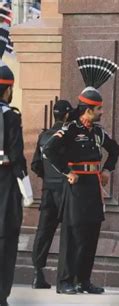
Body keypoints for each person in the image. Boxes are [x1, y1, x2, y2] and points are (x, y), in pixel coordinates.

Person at [43, 56, 119, 295]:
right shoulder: (71, 129)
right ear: (88, 109)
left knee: (90, 232)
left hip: (93, 185)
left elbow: (115, 149)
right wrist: (67, 172)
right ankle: (65, 281)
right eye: (98, 109)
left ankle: (83, 280)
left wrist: (107, 169)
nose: (101, 113)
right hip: (75, 186)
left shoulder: (97, 131)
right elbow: (48, 150)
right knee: (72, 233)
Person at [30, 99, 73, 289]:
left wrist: (47, 176)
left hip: (48, 189)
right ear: (66, 115)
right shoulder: (66, 135)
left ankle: (37, 273)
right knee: (68, 232)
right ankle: (65, 279)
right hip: (66, 188)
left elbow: (35, 164)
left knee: (44, 232)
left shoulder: (44, 136)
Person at [0, 57, 27, 306]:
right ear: (8, 89)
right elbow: (17, 156)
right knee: (6, 239)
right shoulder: (10, 117)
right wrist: (26, 190)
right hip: (5, 181)